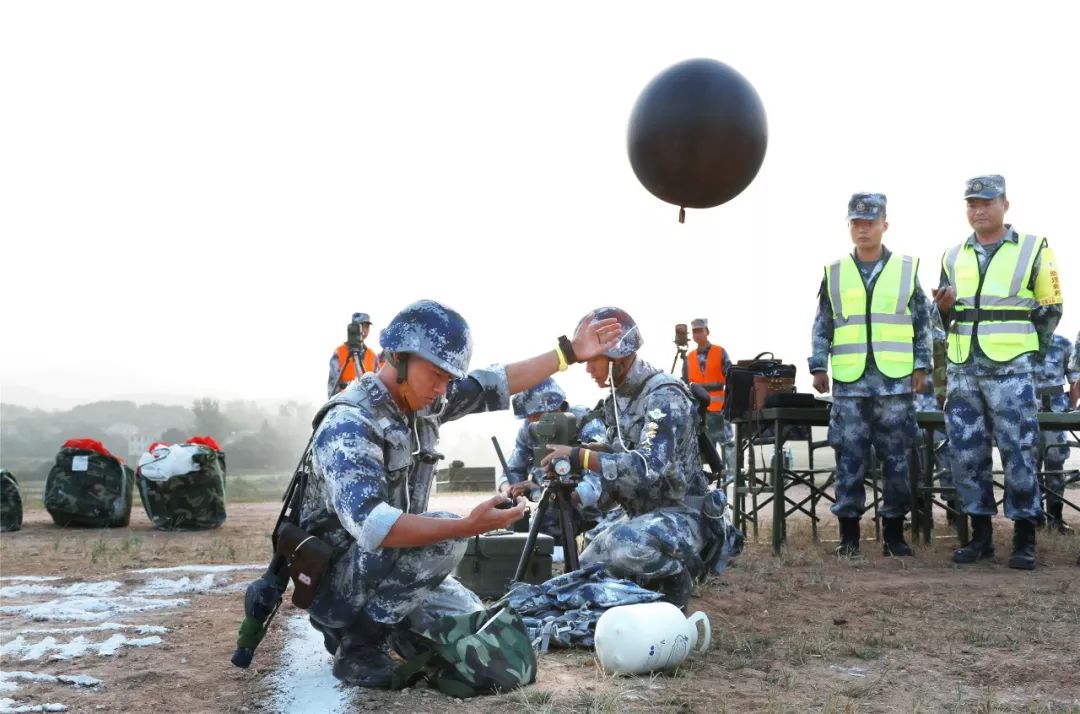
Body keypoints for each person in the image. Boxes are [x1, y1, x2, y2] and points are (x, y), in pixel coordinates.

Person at [275, 299, 620, 687]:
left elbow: (495, 382)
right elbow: (375, 527)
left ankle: (390, 627)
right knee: (447, 536)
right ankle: (357, 643)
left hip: (386, 569)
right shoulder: (350, 423)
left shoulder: (420, 399)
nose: (443, 389)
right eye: (437, 375)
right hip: (340, 584)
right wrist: (468, 526)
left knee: (476, 620)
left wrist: (569, 353)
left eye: (449, 379)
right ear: (400, 358)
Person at [541, 307, 717, 609]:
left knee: (625, 546)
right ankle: (645, 585)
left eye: (592, 361)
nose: (587, 369)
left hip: (683, 514)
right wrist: (578, 493)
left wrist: (582, 457)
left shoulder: (663, 394)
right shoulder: (618, 400)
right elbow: (614, 464)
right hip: (643, 515)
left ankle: (677, 577)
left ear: (618, 356)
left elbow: (646, 468)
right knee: (585, 568)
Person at [934, 175, 1063, 570]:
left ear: (1005, 204)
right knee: (967, 454)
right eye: (971, 203)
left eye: (986, 202)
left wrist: (1026, 351)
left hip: (1011, 370)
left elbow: (1051, 308)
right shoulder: (952, 255)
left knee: (1019, 451)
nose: (978, 209)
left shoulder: (1033, 248)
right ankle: (980, 537)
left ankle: (1025, 538)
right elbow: (942, 314)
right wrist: (943, 308)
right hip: (963, 371)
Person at [809, 193, 932, 557]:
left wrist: (922, 365)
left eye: (870, 222)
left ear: (884, 225)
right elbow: (823, 322)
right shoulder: (835, 272)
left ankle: (894, 534)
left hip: (894, 383)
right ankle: (849, 537)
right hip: (849, 384)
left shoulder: (906, 269)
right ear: (849, 227)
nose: (863, 229)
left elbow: (923, 322)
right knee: (849, 456)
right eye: (856, 223)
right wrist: (818, 364)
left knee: (896, 458)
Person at [497, 378, 607, 553]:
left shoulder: (586, 423)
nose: (531, 421)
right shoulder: (529, 428)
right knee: (540, 538)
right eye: (528, 416)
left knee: (598, 552)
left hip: (597, 506)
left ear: (555, 407)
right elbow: (513, 469)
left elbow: (599, 478)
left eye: (535, 415)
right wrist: (509, 488)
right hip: (555, 501)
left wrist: (551, 493)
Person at [681, 317, 735, 477]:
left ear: (707, 332)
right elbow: (684, 384)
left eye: (700, 330)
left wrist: (730, 402)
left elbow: (731, 376)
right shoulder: (688, 358)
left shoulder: (720, 352)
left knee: (728, 444)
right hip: (701, 413)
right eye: (694, 332)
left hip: (720, 409)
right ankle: (709, 480)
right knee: (706, 448)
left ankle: (733, 477)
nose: (697, 334)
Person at [1034, 333, 1076, 534]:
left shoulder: (1063, 343)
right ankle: (1034, 516)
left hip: (1056, 409)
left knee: (1055, 462)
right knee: (1029, 463)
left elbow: (1075, 377)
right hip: (1026, 409)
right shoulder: (1022, 340)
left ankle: (1055, 518)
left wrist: (1073, 407)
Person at [327, 312, 379, 398]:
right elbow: (332, 385)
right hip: (344, 402)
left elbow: (377, 384)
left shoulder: (372, 355)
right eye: (361, 326)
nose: (365, 330)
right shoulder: (339, 352)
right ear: (353, 328)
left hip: (366, 404)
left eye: (367, 327)